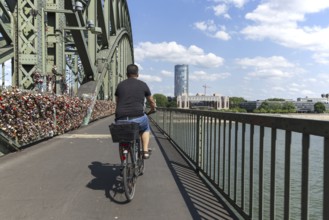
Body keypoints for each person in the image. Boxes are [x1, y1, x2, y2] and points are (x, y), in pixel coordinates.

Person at [114, 64, 156, 159]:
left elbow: (117, 101)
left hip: (121, 118)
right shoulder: (143, 84)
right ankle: (145, 151)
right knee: (145, 128)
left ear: (126, 74)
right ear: (137, 74)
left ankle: (123, 161)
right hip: (138, 117)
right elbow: (151, 101)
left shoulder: (120, 85)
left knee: (122, 139)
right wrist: (153, 108)